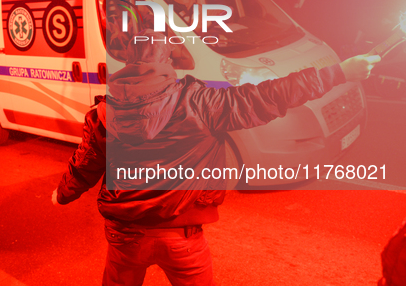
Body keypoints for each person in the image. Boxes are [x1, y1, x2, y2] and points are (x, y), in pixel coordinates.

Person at [52, 29, 380, 285]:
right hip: (184, 239)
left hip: (126, 238)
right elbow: (273, 94)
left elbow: (85, 166)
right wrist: (339, 72)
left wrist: (61, 194)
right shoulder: (204, 104)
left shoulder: (104, 113)